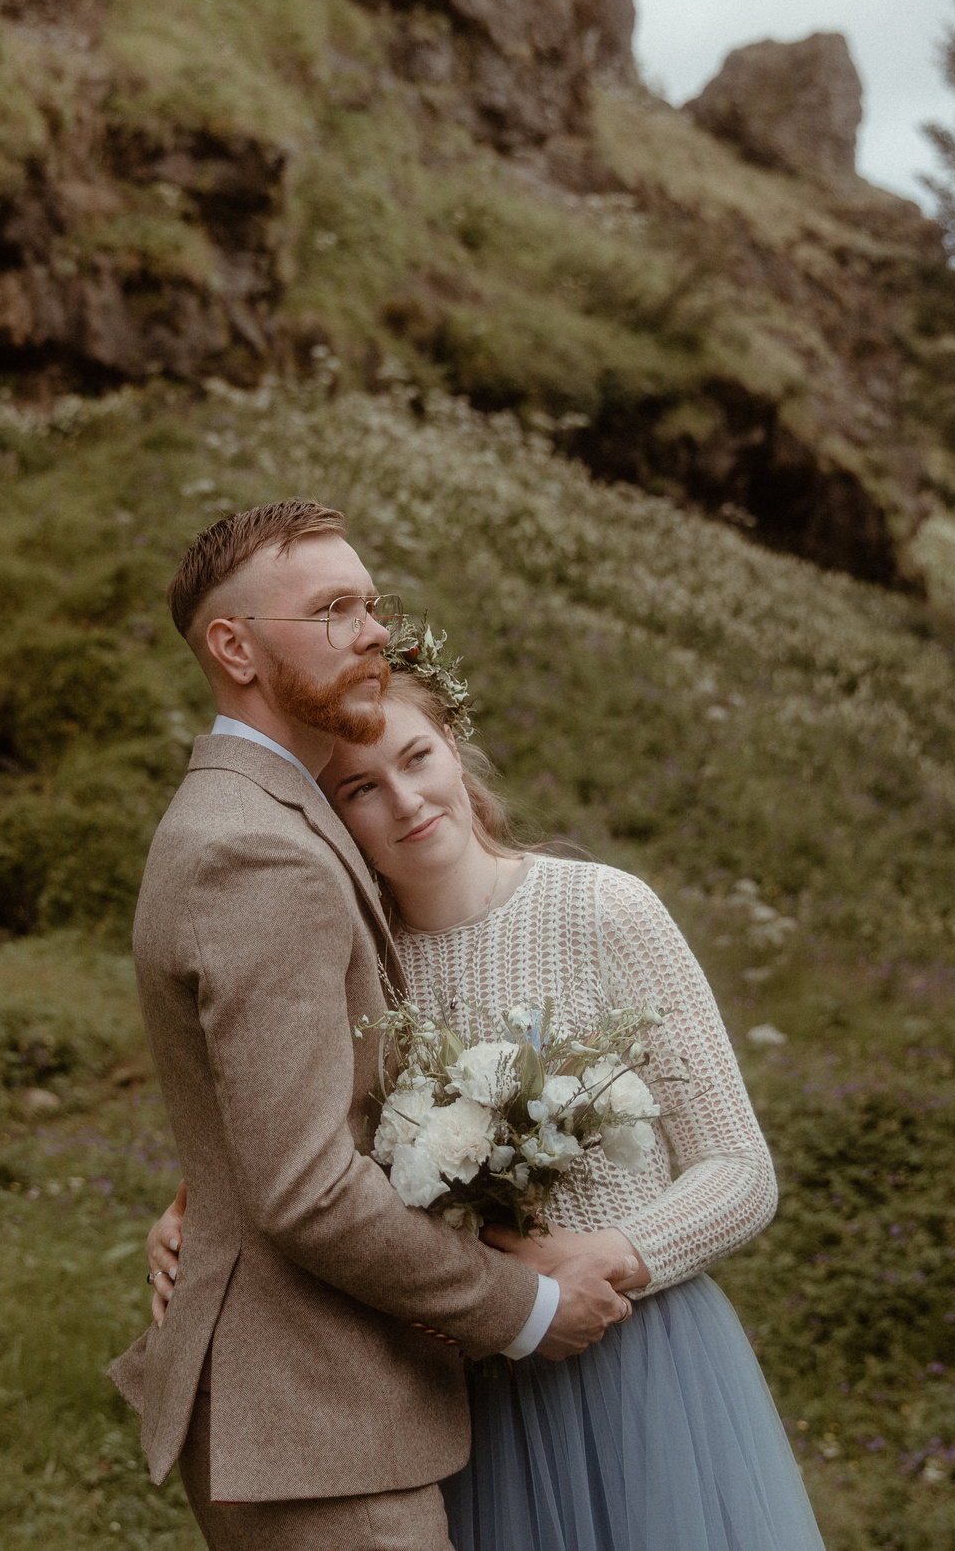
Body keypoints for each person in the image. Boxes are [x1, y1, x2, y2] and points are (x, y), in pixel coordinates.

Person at [146, 622, 828, 1551]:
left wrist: (611, 1255)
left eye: (416, 758)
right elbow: (300, 1146)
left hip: (643, 1361)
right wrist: (194, 1210)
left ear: (454, 746)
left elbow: (741, 1168)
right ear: (331, 819)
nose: (406, 800)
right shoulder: (357, 969)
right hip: (471, 1390)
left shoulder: (605, 908)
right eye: (359, 789)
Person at [111, 500, 632, 1551]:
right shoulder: (258, 851)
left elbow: (272, 1106)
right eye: (332, 610)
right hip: (312, 1421)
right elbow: (305, 1187)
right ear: (234, 648)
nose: (374, 633)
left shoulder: (261, 815)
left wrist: (203, 1203)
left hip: (319, 1415)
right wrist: (524, 1309)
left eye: (371, 604)